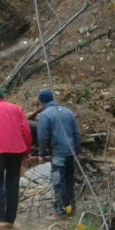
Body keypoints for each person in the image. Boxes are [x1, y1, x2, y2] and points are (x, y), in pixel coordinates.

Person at [0, 88, 33, 230]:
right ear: (4, 96)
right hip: (16, 150)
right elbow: (26, 130)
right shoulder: (17, 109)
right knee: (13, 183)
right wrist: (27, 150)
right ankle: (10, 219)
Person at [36, 90, 81, 219]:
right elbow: (76, 133)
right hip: (70, 153)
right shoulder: (68, 112)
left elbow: (43, 136)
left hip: (58, 153)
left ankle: (59, 211)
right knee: (69, 181)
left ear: (42, 102)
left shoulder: (45, 115)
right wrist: (77, 151)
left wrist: (41, 153)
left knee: (58, 182)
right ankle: (71, 208)